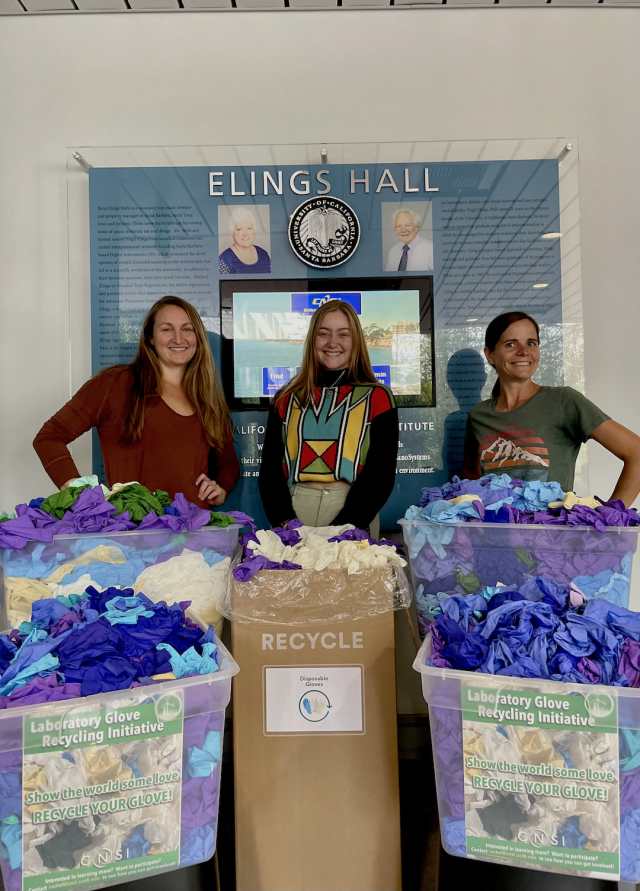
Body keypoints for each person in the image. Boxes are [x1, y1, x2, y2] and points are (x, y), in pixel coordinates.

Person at [34, 296, 240, 508]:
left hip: (195, 532)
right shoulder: (114, 384)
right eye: (167, 329)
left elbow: (228, 465)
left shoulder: (207, 398)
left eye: (187, 329)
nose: (178, 339)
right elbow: (49, 438)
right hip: (134, 533)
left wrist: (221, 488)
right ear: (150, 336)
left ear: (198, 337)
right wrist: (78, 494)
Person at [462, 311, 640, 506]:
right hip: (496, 536)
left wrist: (611, 517)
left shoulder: (563, 401)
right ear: (490, 355)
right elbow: (472, 485)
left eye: (531, 343)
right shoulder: (479, 416)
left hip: (553, 535)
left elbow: (636, 452)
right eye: (510, 344)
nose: (523, 351)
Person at [258, 300, 398, 536]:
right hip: (295, 509)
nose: (333, 343)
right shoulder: (285, 397)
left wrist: (345, 528)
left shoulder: (379, 397)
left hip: (355, 512)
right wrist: (286, 523)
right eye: (324, 334)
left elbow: (380, 475)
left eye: (343, 334)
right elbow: (270, 472)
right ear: (313, 339)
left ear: (355, 341)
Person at [219, 206, 271, 275]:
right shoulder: (224, 260)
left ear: (254, 230)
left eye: (249, 228)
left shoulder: (263, 254)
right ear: (232, 232)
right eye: (239, 229)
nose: (245, 234)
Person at [385, 208, 433, 273]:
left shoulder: (431, 249)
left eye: (407, 225)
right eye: (399, 226)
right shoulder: (393, 251)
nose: (403, 230)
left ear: (416, 227)